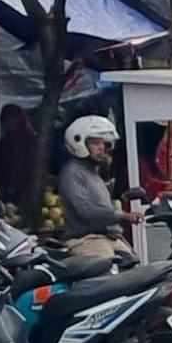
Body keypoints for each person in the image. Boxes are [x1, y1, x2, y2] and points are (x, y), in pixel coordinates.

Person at [57, 113, 130, 264]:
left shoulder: (93, 172)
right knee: (112, 278)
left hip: (109, 237)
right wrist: (121, 215)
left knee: (137, 271)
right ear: (79, 142)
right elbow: (86, 211)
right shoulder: (72, 172)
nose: (101, 148)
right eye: (95, 143)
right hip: (86, 240)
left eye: (104, 144)